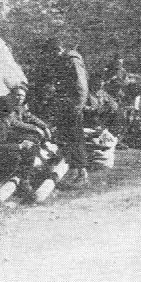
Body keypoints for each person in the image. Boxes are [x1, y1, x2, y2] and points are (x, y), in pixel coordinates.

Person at [42, 39, 90, 187]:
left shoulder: (72, 60)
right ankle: (74, 172)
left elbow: (81, 85)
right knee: (68, 139)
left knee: (75, 138)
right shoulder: (62, 61)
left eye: (52, 53)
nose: (51, 57)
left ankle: (82, 173)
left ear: (58, 49)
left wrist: (77, 106)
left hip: (72, 106)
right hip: (66, 105)